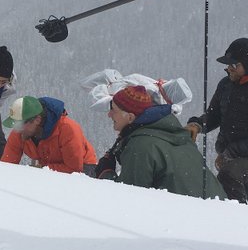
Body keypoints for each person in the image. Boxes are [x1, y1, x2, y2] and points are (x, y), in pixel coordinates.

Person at [185, 38, 248, 204]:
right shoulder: (227, 85)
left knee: (229, 175)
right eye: (228, 65)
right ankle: (245, 214)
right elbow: (214, 115)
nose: (229, 69)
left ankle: (238, 218)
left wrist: (231, 152)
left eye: (234, 65)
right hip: (231, 152)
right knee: (237, 185)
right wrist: (197, 124)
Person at [95, 85, 225, 199]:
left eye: (113, 110)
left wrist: (106, 173)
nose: (109, 114)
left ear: (130, 117)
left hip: (189, 221)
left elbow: (128, 199)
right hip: (216, 214)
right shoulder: (176, 135)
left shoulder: (141, 146)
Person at [0, 95, 98, 175]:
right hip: (48, 169)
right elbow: (7, 165)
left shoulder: (68, 129)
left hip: (84, 169)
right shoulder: (20, 132)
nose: (17, 130)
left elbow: (74, 169)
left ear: (37, 120)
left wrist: (41, 169)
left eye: (19, 124)